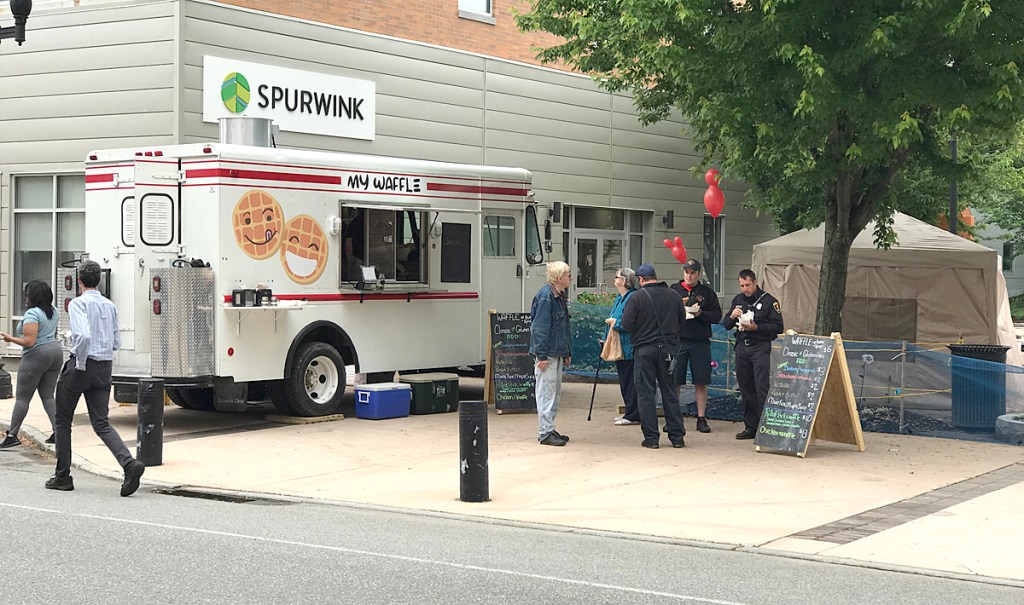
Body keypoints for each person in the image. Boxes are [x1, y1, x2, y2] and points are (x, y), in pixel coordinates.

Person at [46, 260, 146, 495]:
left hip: (82, 365)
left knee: (62, 421)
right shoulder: (109, 305)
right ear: (99, 280)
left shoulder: (78, 304)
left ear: (79, 281)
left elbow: (82, 336)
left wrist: (79, 362)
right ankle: (128, 463)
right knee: (101, 422)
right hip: (104, 366)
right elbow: (116, 341)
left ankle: (62, 475)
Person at [621, 263, 686, 449]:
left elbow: (626, 325)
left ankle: (651, 438)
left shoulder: (637, 297)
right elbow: (682, 321)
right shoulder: (674, 296)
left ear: (641, 279)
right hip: (668, 350)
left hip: (644, 350)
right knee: (670, 393)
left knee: (646, 394)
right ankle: (677, 437)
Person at [722, 269, 784, 440]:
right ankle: (751, 426)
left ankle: (767, 427)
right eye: (742, 285)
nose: (745, 289)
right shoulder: (738, 300)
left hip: (760, 347)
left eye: (748, 285)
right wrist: (732, 317)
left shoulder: (768, 301)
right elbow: (726, 324)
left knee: (761, 386)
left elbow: (778, 327)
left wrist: (757, 327)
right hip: (742, 346)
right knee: (746, 387)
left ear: (755, 282)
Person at [0, 281, 62, 449]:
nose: (25, 297)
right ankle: (59, 432)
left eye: (27, 294)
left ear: (33, 297)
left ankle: (12, 435)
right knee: (48, 396)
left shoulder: (33, 314)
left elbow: (29, 341)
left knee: (22, 398)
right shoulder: (53, 311)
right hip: (55, 353)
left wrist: (9, 339)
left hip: (36, 355)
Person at [670, 259, 722, 434]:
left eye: (692, 272)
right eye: (686, 272)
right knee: (675, 380)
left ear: (698, 274)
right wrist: (680, 306)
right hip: (679, 341)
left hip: (700, 341)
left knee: (701, 381)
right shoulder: (674, 290)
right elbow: (665, 312)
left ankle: (701, 418)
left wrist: (700, 313)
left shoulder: (706, 292)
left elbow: (716, 316)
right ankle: (674, 418)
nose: (689, 275)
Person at [529, 261, 572, 446]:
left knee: (554, 393)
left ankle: (548, 428)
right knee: (547, 393)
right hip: (548, 354)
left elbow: (562, 327)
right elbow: (540, 328)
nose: (570, 278)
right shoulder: (547, 297)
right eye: (568, 275)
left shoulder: (556, 296)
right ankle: (545, 432)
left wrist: (566, 351)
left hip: (556, 352)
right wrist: (542, 355)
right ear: (559, 278)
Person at [608, 268, 640, 426]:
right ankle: (630, 410)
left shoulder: (631, 298)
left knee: (629, 380)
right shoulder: (619, 298)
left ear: (624, 281)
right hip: (618, 343)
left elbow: (630, 322)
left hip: (628, 345)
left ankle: (633, 413)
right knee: (624, 379)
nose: (615, 279)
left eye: (617, 277)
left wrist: (616, 324)